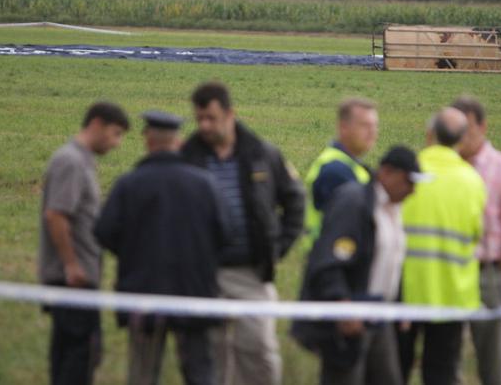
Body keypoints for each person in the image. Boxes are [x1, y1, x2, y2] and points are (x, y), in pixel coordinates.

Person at [181, 82, 305, 385]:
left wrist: (278, 247)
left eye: (211, 118)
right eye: (200, 119)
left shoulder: (262, 153)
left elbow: (295, 200)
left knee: (259, 352)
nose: (205, 126)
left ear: (230, 114)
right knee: (212, 357)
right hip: (204, 274)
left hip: (252, 273)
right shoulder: (187, 156)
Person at [94, 111, 227, 385]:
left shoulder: (128, 184)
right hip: (195, 294)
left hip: (143, 295)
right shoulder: (205, 184)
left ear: (148, 141)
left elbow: (104, 232)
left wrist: (132, 253)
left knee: (143, 373)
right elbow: (226, 234)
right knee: (200, 374)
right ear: (178, 142)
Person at [292, 146, 428, 385]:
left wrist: (399, 304)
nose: (413, 190)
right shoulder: (354, 203)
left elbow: (391, 262)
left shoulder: (393, 209)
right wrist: (343, 305)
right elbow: (329, 260)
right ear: (387, 173)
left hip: (380, 316)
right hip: (351, 314)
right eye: (408, 182)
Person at [38, 101, 130, 385]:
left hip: (77, 278)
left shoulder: (81, 160)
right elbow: (56, 215)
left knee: (71, 353)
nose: (117, 143)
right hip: (73, 280)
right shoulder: (72, 162)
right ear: (96, 125)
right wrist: (71, 265)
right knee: (81, 356)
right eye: (115, 134)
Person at [397, 107, 487, 385]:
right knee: (442, 373)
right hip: (452, 293)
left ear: (429, 134)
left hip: (405, 290)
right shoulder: (473, 180)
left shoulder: (408, 171)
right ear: (461, 139)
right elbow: (477, 234)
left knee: (395, 369)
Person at [451, 96, 501, 385]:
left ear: (483, 127)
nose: (463, 137)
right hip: (450, 275)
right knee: (447, 361)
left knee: (494, 364)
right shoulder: (446, 170)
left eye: (468, 128)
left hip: (489, 274)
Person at [303, 97, 378, 248]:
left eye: (375, 126)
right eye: (364, 125)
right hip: (333, 263)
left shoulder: (350, 165)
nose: (372, 132)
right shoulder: (335, 171)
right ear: (343, 127)